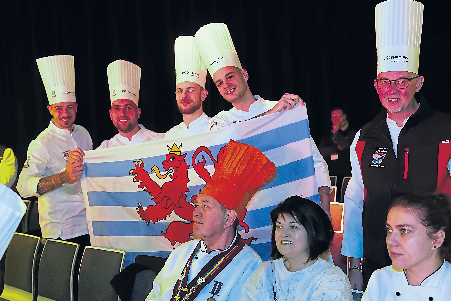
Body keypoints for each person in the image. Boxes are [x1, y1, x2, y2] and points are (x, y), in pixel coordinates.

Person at [342, 0, 451, 290]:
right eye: (385, 82)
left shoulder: (447, 129)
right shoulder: (364, 137)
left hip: (437, 261)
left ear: (419, 82)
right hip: (380, 257)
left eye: (402, 81)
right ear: (376, 85)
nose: (393, 91)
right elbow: (355, 201)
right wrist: (354, 263)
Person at [193, 23, 333, 217]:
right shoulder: (220, 122)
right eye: (219, 83)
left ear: (244, 74)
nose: (226, 85)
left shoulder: (283, 108)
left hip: (292, 217)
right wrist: (272, 117)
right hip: (248, 221)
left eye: (230, 76)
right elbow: (235, 146)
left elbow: (315, 161)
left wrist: (324, 207)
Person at [146, 140, 277, 301]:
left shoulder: (249, 266)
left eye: (206, 206)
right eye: (196, 204)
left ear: (228, 218)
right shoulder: (180, 253)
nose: (196, 212)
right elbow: (153, 296)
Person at [18, 55, 92, 247]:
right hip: (62, 231)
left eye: (69, 107)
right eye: (59, 108)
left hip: (89, 223)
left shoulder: (84, 133)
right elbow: (23, 186)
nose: (65, 114)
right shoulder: (42, 143)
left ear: (76, 107)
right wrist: (63, 177)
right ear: (50, 109)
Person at [362, 192, 451, 300]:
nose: (390, 241)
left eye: (404, 231)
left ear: (437, 239)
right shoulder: (380, 280)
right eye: (389, 230)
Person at [242, 196, 352, 300]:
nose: (283, 233)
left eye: (293, 227)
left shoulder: (331, 280)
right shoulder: (265, 272)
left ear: (314, 232)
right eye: (279, 226)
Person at [98, 60, 164, 149]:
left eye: (128, 107)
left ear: (138, 112)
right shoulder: (105, 149)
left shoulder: (161, 141)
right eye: (117, 108)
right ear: (111, 114)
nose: (122, 113)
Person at [164, 36, 210, 139]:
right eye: (180, 91)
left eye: (191, 90)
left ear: (203, 94)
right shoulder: (170, 136)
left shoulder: (215, 129)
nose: (184, 95)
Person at [318, 107, 357, 185]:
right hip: (330, 173)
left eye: (339, 115)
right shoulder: (326, 134)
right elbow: (321, 151)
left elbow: (344, 146)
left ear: (344, 117)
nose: (336, 118)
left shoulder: (351, 133)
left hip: (346, 175)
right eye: (333, 115)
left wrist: (337, 132)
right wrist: (337, 149)